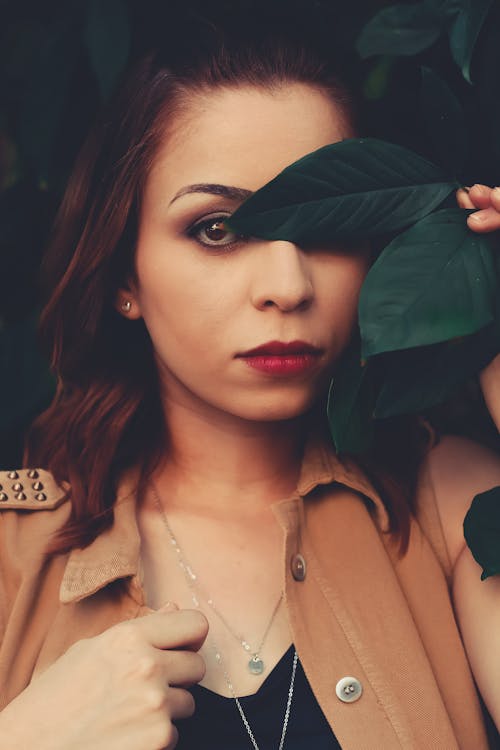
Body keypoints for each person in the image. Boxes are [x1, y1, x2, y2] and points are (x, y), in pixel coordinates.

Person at [0, 8, 499, 749]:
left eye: (328, 226)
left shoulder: (451, 505)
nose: (288, 285)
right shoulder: (14, 549)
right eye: (219, 229)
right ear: (122, 273)